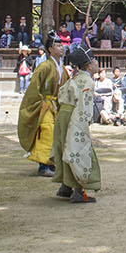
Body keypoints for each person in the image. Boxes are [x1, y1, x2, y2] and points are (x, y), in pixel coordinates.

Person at [49, 46, 103, 203]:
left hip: (63, 115)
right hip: (75, 115)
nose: (97, 63)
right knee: (77, 149)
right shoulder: (87, 81)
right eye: (94, 61)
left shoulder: (73, 79)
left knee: (63, 147)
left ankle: (66, 185)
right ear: (89, 66)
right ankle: (79, 190)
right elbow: (84, 106)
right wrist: (84, 123)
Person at [17, 35, 64, 176]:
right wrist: (40, 102)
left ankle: (52, 162)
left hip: (56, 103)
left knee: (57, 133)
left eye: (62, 45)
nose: (61, 47)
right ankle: (43, 166)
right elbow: (34, 86)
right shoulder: (44, 66)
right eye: (58, 46)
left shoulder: (62, 67)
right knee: (46, 132)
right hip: (45, 104)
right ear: (50, 49)